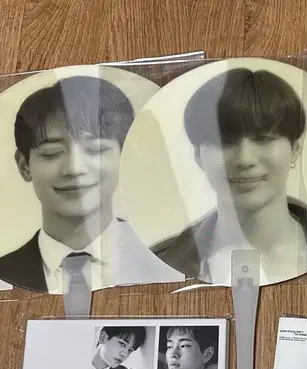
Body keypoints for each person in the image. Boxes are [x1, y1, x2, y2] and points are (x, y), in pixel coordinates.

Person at [0, 75, 181, 293]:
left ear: (124, 157)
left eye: (96, 149)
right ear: (24, 166)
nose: (75, 169)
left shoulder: (172, 262)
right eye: (52, 153)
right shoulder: (4, 273)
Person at [151, 67, 307, 283]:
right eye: (224, 141)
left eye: (263, 138)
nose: (244, 159)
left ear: (295, 148)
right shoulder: (159, 263)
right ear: (198, 156)